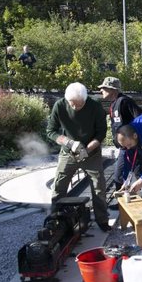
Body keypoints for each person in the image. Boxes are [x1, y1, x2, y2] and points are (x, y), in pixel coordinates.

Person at [47, 82, 111, 232]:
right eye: (72, 104)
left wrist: (87, 150)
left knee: (98, 187)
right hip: (68, 152)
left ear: (85, 99)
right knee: (59, 185)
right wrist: (68, 142)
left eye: (79, 104)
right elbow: (51, 131)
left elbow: (101, 133)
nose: (75, 107)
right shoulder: (60, 106)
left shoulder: (95, 107)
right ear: (66, 99)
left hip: (91, 153)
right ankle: (56, 218)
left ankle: (102, 220)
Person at [97, 76, 142, 190]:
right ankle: (121, 202)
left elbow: (141, 118)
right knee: (119, 175)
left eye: (104, 88)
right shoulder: (114, 104)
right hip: (124, 148)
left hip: (132, 147)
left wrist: (136, 140)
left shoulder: (125, 101)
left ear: (112, 89)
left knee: (138, 174)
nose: (101, 90)